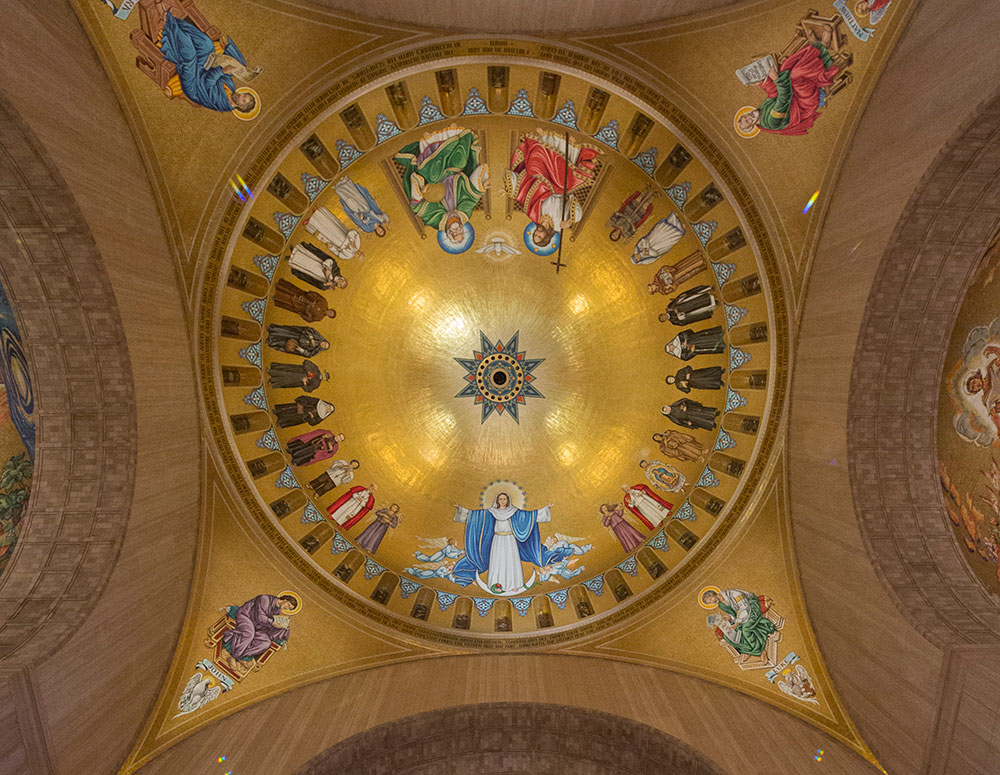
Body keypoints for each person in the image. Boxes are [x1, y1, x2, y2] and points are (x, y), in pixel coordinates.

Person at [451, 492, 571, 594]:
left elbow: (530, 516)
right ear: (497, 500)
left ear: (508, 500)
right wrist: (460, 509)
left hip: (510, 540)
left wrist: (546, 508)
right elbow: (475, 516)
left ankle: (515, 584)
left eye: (504, 499)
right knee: (497, 561)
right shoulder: (490, 512)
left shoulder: (514, 512)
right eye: (500, 499)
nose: (502, 501)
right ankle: (495, 584)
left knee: (511, 560)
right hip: (497, 540)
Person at [394, 125, 489, 248]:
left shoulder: (436, 221)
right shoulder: (465, 214)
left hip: (435, 180)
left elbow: (419, 209)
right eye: (460, 232)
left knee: (433, 173)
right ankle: (453, 134)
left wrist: (423, 190)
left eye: (455, 234)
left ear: (449, 234)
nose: (456, 230)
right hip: (453, 174)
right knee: (461, 161)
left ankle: (428, 142)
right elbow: (472, 197)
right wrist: (481, 186)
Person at [736, 26, 839, 137]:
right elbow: (784, 98)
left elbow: (773, 94)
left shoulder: (760, 111)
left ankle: (814, 46)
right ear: (752, 126)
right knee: (796, 74)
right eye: (747, 121)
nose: (748, 117)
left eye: (745, 116)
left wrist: (763, 83)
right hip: (802, 103)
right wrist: (776, 79)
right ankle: (824, 46)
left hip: (792, 96)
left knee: (786, 67)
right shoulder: (771, 121)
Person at [508, 130, 599, 251]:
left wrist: (512, 191)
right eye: (540, 236)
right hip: (560, 189)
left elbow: (525, 198)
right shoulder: (559, 224)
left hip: (546, 184)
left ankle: (547, 137)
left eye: (535, 235)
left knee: (533, 168)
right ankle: (568, 144)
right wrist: (570, 221)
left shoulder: (535, 216)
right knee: (562, 180)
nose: (538, 233)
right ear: (546, 237)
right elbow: (577, 210)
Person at [155, 11, 260, 114]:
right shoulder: (231, 87)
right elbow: (226, 75)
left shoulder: (222, 104)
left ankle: (168, 26)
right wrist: (240, 67)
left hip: (194, 84)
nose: (241, 96)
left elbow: (207, 84)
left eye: (243, 100)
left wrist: (222, 71)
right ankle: (175, 22)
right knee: (206, 44)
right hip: (203, 71)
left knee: (190, 55)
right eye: (244, 94)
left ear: (240, 107)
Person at [219, 594, 295, 673]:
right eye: (289, 605)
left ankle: (240, 656)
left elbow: (268, 623)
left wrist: (280, 627)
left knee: (266, 643)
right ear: (285, 599)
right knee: (249, 634)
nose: (287, 609)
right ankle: (233, 657)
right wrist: (272, 622)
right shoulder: (265, 599)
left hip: (257, 627)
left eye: (290, 609)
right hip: (245, 617)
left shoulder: (277, 610)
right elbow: (260, 617)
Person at [702, 587, 776, 657]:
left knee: (746, 629)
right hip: (742, 615)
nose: (713, 602)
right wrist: (730, 617)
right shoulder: (721, 605)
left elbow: (744, 606)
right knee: (728, 637)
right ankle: (749, 649)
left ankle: (760, 651)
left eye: (711, 599)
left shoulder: (732, 593)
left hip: (752, 606)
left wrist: (737, 623)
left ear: (713, 594)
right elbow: (733, 613)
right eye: (710, 602)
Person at [965, 345, 1000, 435]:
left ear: (976, 377)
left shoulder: (990, 370)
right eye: (974, 388)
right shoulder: (986, 399)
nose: (976, 385)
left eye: (974, 382)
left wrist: (995, 350)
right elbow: (994, 414)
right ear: (975, 391)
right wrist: (999, 428)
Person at [272, 278, 337, 323]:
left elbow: (310, 319)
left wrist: (308, 311)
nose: (329, 313)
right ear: (331, 309)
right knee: (290, 291)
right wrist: (312, 299)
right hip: (304, 297)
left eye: (330, 314)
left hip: (301, 307)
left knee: (288, 301)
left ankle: (276, 298)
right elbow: (317, 296)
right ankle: (278, 285)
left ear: (329, 316)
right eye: (331, 312)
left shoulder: (319, 317)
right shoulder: (324, 302)